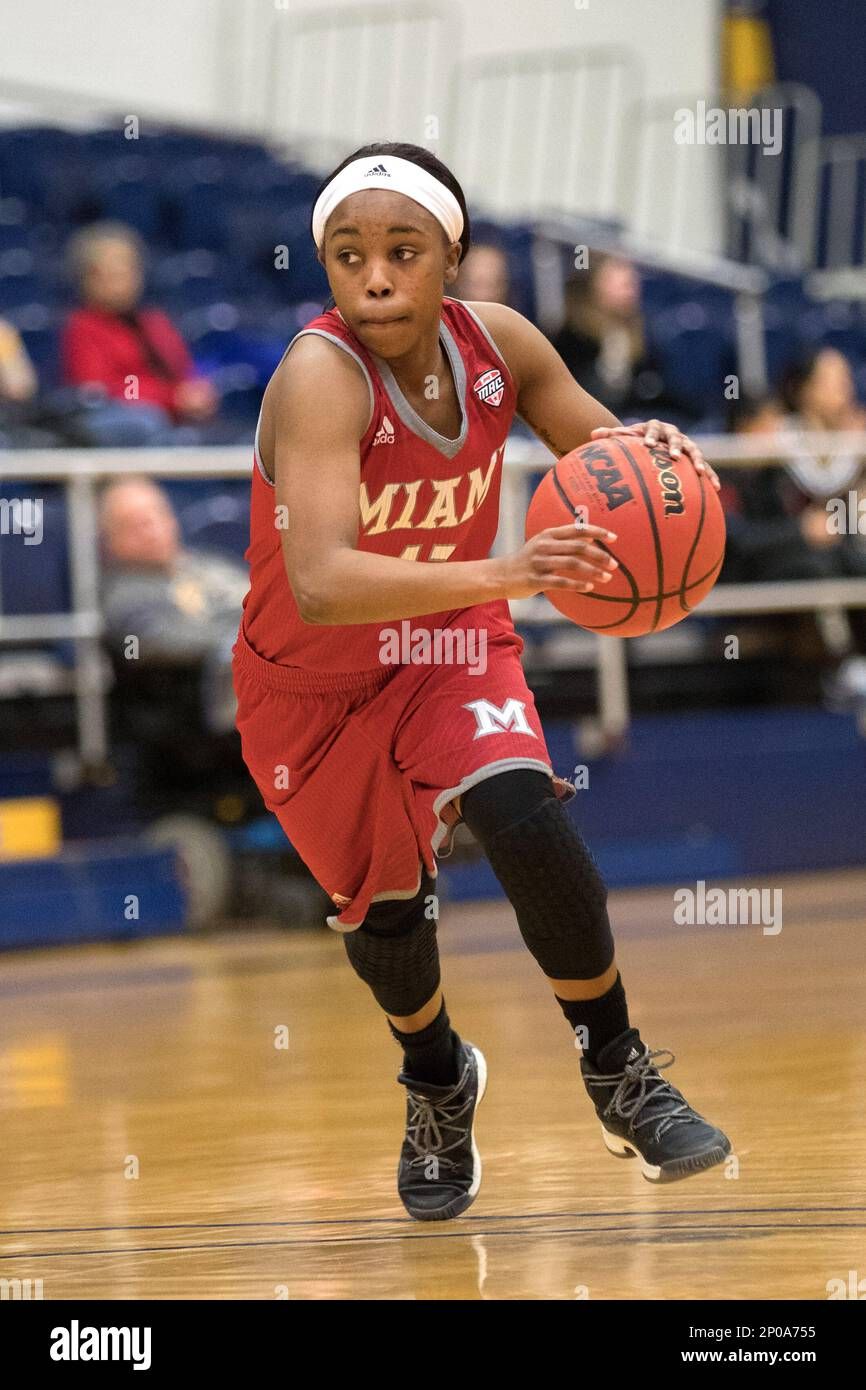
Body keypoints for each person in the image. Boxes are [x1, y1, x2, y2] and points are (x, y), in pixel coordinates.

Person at [231, 141, 730, 1223]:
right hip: (307, 687)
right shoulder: (318, 376)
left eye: (401, 251)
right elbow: (316, 581)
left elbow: (602, 460)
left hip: (449, 641)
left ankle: (619, 1071)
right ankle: (436, 1082)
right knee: (387, 923)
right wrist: (509, 567)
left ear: (448, 259)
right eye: (347, 253)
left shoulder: (500, 344)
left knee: (517, 803)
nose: (373, 276)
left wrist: (653, 461)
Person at [100, 476, 247, 733]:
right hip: (187, 729)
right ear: (110, 541)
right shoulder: (122, 594)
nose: (150, 529)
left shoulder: (212, 566)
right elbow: (156, 641)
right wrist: (241, 637)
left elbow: (264, 607)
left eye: (156, 515)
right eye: (133, 525)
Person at [62, 222, 220, 446]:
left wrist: (197, 393)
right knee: (147, 422)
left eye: (129, 270)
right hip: (127, 429)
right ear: (89, 279)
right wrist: (172, 399)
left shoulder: (155, 322)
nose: (124, 281)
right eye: (113, 273)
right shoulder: (82, 327)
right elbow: (97, 393)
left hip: (174, 420)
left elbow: (184, 372)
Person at [550, 251, 681, 423]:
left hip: (628, 420)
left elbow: (653, 390)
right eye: (624, 285)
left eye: (633, 285)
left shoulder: (644, 333)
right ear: (595, 285)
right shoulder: (571, 335)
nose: (631, 291)